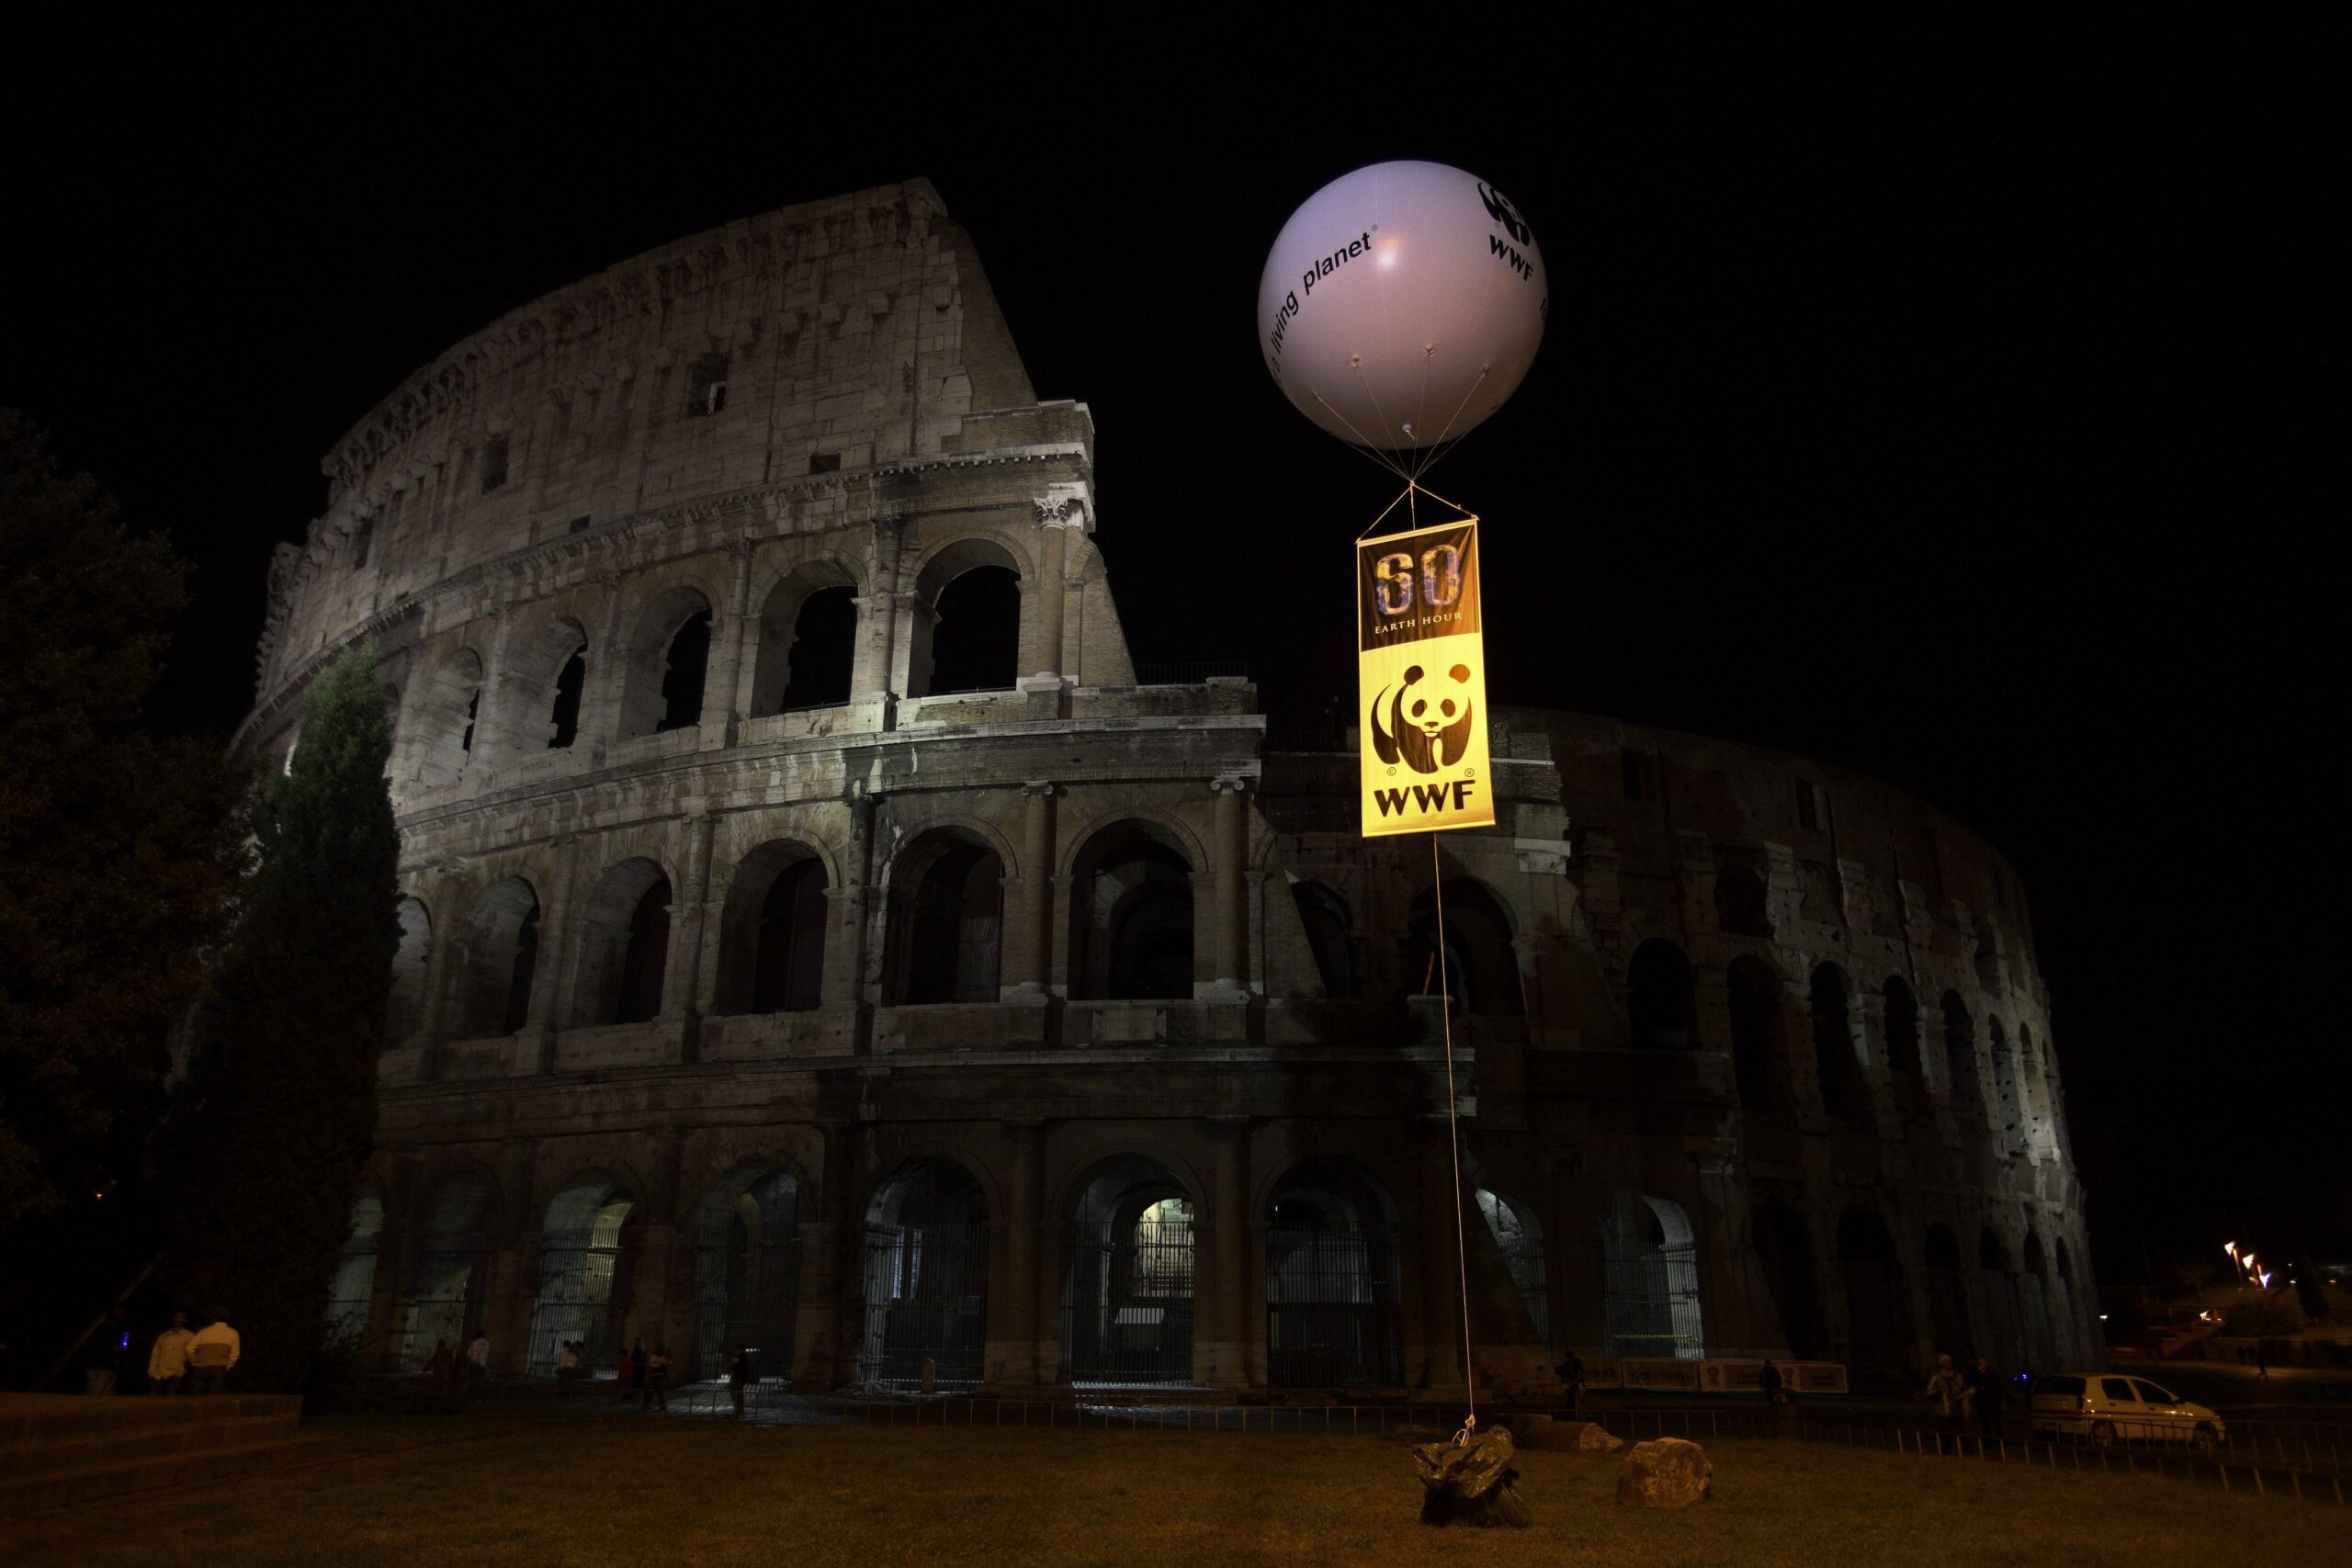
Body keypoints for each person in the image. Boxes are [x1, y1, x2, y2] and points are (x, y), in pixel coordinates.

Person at [82, 1306, 132, 1395]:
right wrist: (121, 1348)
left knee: (106, 1398)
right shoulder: (107, 1329)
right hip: (101, 1368)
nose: (122, 1314)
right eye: (119, 1311)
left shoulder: (115, 1329)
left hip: (105, 1367)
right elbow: (112, 1347)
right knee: (95, 1396)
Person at [187, 1312, 241, 1394]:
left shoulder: (204, 1332)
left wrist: (194, 1361)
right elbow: (234, 1353)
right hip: (219, 1367)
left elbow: (189, 1348)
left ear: (213, 1318)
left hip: (201, 1367)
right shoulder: (232, 1333)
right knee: (214, 1398)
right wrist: (229, 1365)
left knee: (195, 1396)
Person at [148, 1310, 196, 1395]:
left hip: (176, 1373)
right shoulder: (163, 1336)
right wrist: (152, 1370)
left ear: (185, 1320)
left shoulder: (189, 1336)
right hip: (159, 1373)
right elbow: (156, 1354)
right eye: (175, 1317)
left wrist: (186, 1369)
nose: (177, 1319)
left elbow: (191, 1353)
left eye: (180, 1317)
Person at [1923, 1354, 1971, 1436]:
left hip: (1958, 1410)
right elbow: (1929, 1392)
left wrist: (1966, 1397)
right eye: (1946, 1361)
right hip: (1943, 1410)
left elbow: (1964, 1389)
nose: (1949, 1363)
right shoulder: (1937, 1377)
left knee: (1963, 1436)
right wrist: (1939, 1393)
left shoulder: (1958, 1376)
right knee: (1945, 1435)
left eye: (1949, 1361)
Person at [1967, 1356, 2002, 1441]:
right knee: (1984, 1422)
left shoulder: (1992, 1374)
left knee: (1996, 1421)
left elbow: (1998, 1387)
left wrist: (1997, 1399)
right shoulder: (1975, 1374)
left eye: (1983, 1362)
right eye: (1980, 1363)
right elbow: (1972, 1386)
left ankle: (1999, 1439)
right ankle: (1988, 1440)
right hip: (1981, 1402)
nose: (1982, 1364)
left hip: (1992, 1401)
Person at [641, 1343, 670, 1412]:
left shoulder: (665, 1356)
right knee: (651, 1390)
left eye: (662, 1346)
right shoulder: (654, 1355)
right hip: (654, 1375)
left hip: (661, 1375)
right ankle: (646, 1405)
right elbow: (651, 1364)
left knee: (660, 1392)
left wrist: (665, 1364)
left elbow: (668, 1363)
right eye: (660, 1346)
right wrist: (659, 1364)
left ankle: (662, 1406)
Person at [729, 1345, 756, 1418]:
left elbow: (739, 1368)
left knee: (736, 1393)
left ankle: (739, 1408)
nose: (736, 1351)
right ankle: (739, 1408)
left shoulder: (742, 1358)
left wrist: (733, 1366)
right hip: (740, 1378)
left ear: (741, 1350)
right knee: (738, 1393)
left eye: (737, 1350)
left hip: (739, 1378)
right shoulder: (743, 1358)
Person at [1555, 1348, 1585, 1416]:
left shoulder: (1577, 1363)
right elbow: (1564, 1372)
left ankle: (1579, 1414)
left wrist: (1574, 1382)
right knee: (1571, 1398)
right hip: (1572, 1385)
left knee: (1579, 1400)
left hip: (1578, 1384)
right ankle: (1572, 1412)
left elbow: (1579, 1375)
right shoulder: (1567, 1363)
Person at [629, 1337, 648, 1404]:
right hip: (637, 1369)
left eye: (639, 1342)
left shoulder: (642, 1351)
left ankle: (638, 1399)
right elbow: (633, 1358)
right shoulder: (637, 1350)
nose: (638, 1344)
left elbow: (643, 1359)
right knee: (636, 1384)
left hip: (640, 1370)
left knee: (638, 1384)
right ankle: (636, 1398)